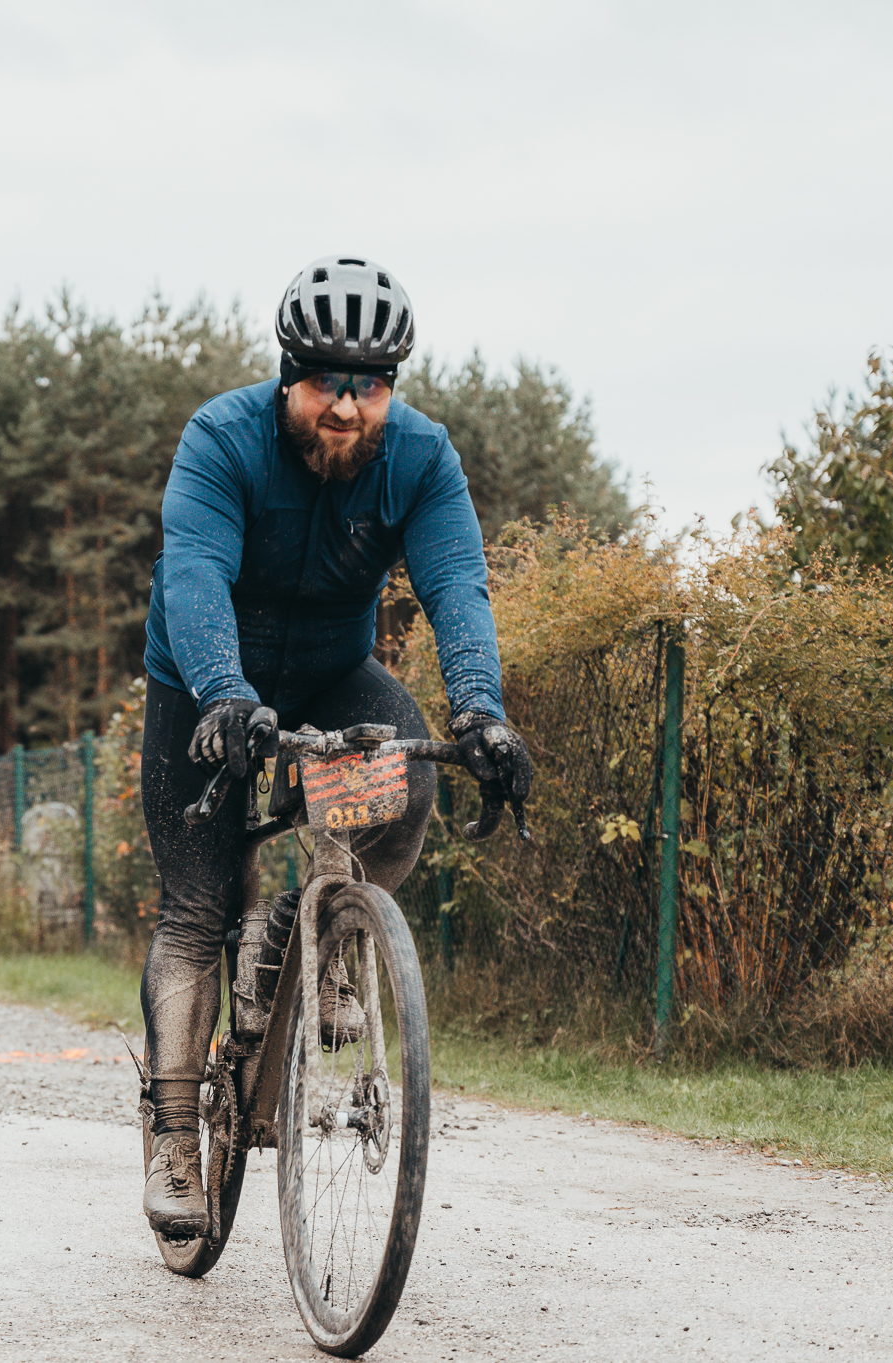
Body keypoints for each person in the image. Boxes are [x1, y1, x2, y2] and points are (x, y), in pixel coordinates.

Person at [139, 255, 532, 1236]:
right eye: (327, 382)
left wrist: (481, 712)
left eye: (370, 385)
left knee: (406, 777)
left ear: (389, 386)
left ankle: (319, 931)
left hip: (326, 673)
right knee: (195, 903)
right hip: (203, 680)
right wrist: (224, 695)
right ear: (288, 378)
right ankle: (175, 1136)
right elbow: (193, 573)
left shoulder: (421, 459)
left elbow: (456, 586)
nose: (348, 406)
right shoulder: (221, 438)